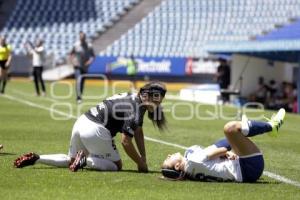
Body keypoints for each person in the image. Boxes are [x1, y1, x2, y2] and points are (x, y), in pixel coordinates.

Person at [14, 82, 167, 173]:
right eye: (156, 101)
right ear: (146, 96)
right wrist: (140, 164)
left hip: (81, 122)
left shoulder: (132, 97)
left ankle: (38, 158)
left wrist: (143, 158)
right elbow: (126, 141)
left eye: (159, 102)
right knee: (116, 165)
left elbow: (138, 131)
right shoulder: (136, 107)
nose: (157, 104)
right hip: (96, 129)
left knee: (71, 160)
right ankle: (85, 160)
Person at [161, 108, 285, 182]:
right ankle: (272, 127)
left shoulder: (190, 170)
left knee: (232, 134)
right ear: (177, 166)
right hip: (250, 166)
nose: (169, 155)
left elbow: (215, 153)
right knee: (230, 128)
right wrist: (227, 152)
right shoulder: (193, 160)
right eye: (168, 159)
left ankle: (244, 128)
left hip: (247, 172)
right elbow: (222, 149)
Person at [69, 31, 95, 103]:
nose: (82, 38)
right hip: (77, 66)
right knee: (78, 80)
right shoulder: (76, 45)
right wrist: (73, 62)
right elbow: (71, 54)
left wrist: (89, 62)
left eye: (83, 37)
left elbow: (93, 56)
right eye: (80, 37)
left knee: (82, 82)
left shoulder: (89, 46)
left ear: (85, 37)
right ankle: (78, 97)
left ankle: (80, 95)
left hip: (85, 67)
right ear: (79, 37)